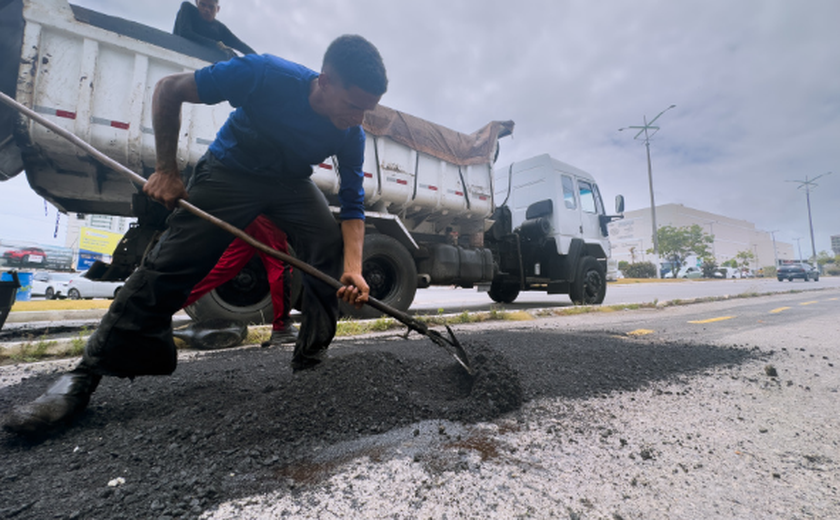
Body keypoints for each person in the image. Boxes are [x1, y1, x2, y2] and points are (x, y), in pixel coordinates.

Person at [3, 34, 388, 435]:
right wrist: (166, 170)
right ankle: (83, 377)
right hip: (231, 171)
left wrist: (355, 268)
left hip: (290, 183)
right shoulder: (264, 74)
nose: (358, 119)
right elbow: (169, 90)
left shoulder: (350, 134)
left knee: (328, 247)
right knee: (172, 261)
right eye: (353, 106)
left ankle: (311, 361)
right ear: (325, 82)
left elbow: (353, 202)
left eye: (367, 110)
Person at [182, 215, 298, 346]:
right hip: (263, 210)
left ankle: (164, 304)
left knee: (226, 266)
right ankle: (282, 328)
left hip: (250, 211)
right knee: (279, 264)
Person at [173, 0, 256, 58]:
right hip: (179, 53)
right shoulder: (188, 9)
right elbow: (185, 33)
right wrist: (217, 45)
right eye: (203, 5)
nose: (206, 9)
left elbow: (240, 45)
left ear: (218, 9)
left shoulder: (220, 28)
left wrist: (262, 60)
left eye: (211, 7)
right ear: (197, 3)